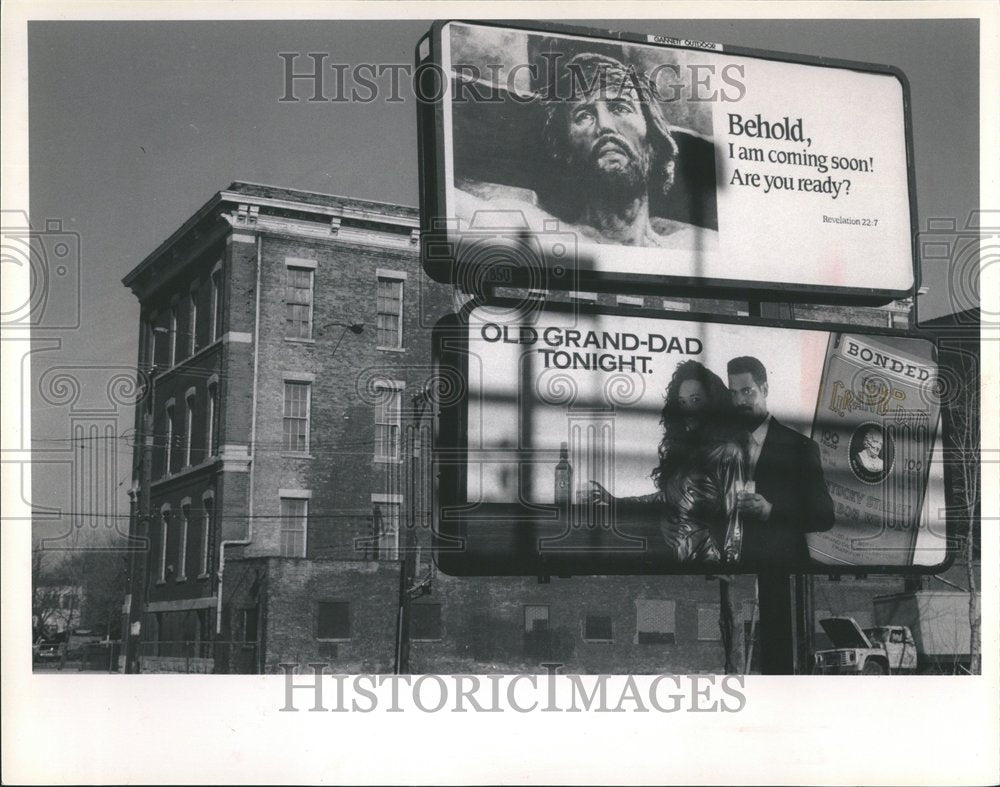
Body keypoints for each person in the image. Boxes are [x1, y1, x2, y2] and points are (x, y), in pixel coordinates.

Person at [454, 49, 717, 249]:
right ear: (565, 151)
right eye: (584, 115)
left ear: (653, 143)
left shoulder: (693, 248)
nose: (604, 126)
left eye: (620, 108)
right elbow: (451, 208)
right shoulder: (537, 230)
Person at [583, 360, 745, 563]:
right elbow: (667, 497)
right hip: (684, 567)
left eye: (696, 400)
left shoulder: (728, 452)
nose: (688, 410)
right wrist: (615, 501)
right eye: (683, 402)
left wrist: (730, 568)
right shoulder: (686, 454)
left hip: (712, 564)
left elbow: (735, 516)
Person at [726, 356, 835, 568]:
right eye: (733, 393)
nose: (739, 402)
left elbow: (824, 516)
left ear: (765, 389)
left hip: (783, 566)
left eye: (747, 391)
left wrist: (770, 510)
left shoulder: (800, 448)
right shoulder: (724, 445)